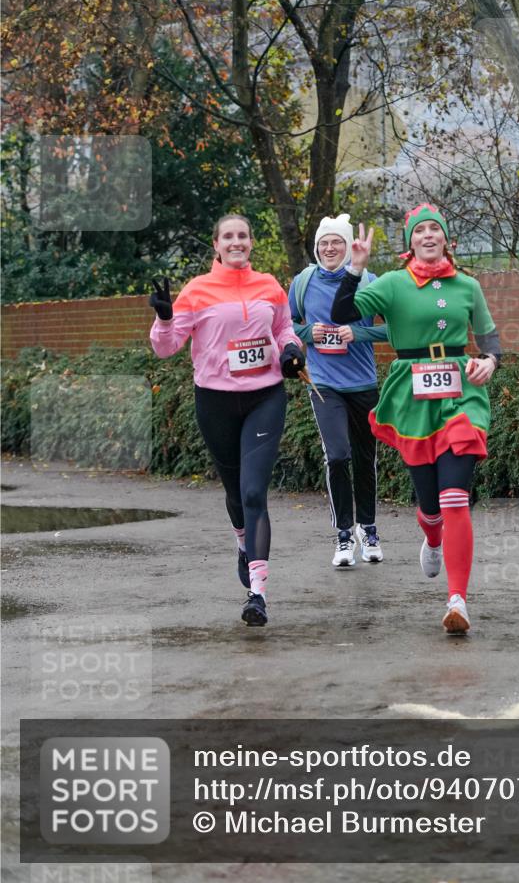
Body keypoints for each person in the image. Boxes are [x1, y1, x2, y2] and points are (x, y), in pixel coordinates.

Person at [331, 202, 501, 634]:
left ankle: (457, 600)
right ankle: (431, 536)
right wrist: (355, 267)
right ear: (410, 243)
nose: (429, 236)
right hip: (412, 393)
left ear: (447, 239)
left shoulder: (467, 285)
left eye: (435, 230)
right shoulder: (391, 284)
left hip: (461, 393)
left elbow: (489, 337)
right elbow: (342, 314)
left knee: (455, 497)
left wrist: (490, 361)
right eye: (420, 231)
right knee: (430, 504)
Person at [148, 214, 305, 628]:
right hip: (215, 402)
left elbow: (284, 328)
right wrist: (165, 319)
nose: (237, 242)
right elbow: (167, 348)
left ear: (251, 243)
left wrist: (291, 351)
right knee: (235, 493)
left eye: (243, 236)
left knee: (255, 493)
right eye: (228, 236)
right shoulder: (197, 290)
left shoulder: (269, 285)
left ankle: (258, 594)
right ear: (216, 245)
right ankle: (242, 542)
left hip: (264, 398)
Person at [288, 213, 388, 568]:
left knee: (364, 458)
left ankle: (369, 528)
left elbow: (397, 329)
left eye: (337, 243)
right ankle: (344, 535)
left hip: (363, 383)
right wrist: (307, 332)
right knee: (338, 455)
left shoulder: (371, 282)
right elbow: (287, 325)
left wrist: (359, 333)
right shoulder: (302, 282)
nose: (329, 248)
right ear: (317, 248)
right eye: (324, 243)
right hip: (323, 384)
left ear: (348, 247)